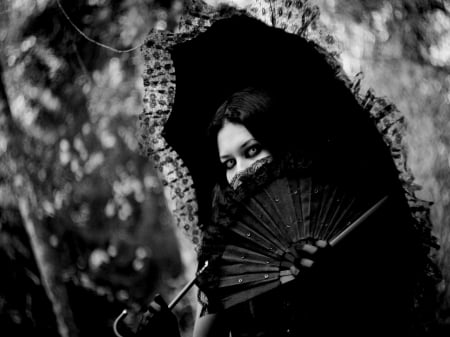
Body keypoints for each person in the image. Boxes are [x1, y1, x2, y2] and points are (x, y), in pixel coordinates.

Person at [128, 86, 424, 337]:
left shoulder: (337, 225)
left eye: (252, 151)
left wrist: (330, 291)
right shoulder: (225, 255)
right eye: (229, 163)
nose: (241, 172)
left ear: (280, 146)